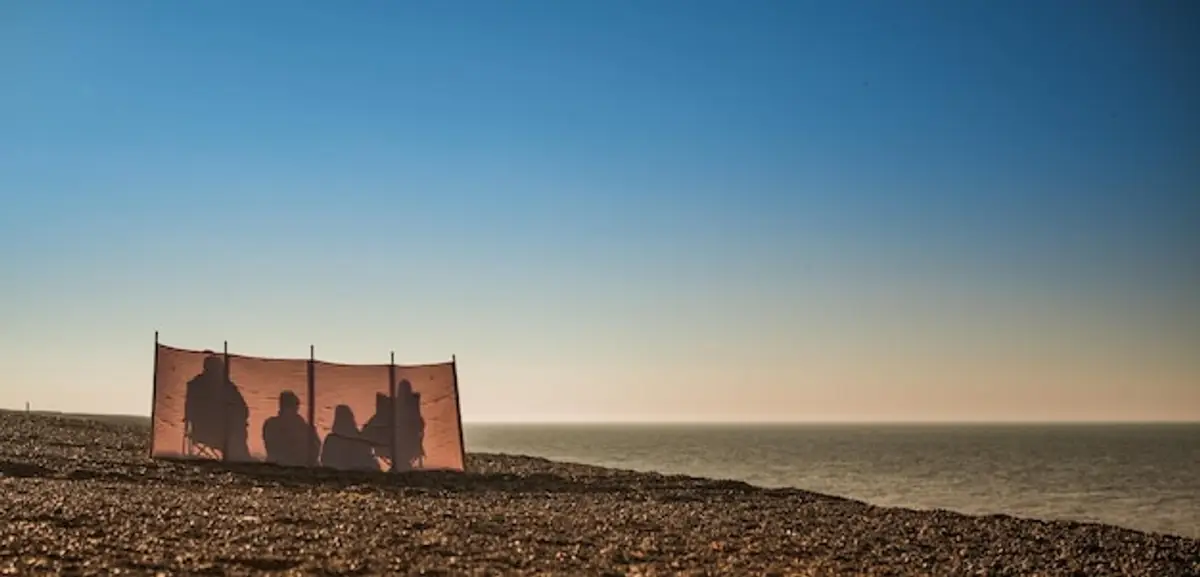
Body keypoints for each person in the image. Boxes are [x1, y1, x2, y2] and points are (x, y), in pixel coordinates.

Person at [183, 353, 251, 461]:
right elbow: (243, 409)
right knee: (238, 428)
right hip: (223, 433)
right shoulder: (226, 386)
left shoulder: (195, 385)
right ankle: (242, 457)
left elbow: (243, 409)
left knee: (237, 426)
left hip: (201, 431)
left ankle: (240, 456)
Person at [262, 390, 319, 467]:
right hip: (282, 467)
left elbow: (315, 448)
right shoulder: (272, 425)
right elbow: (273, 449)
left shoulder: (305, 427)